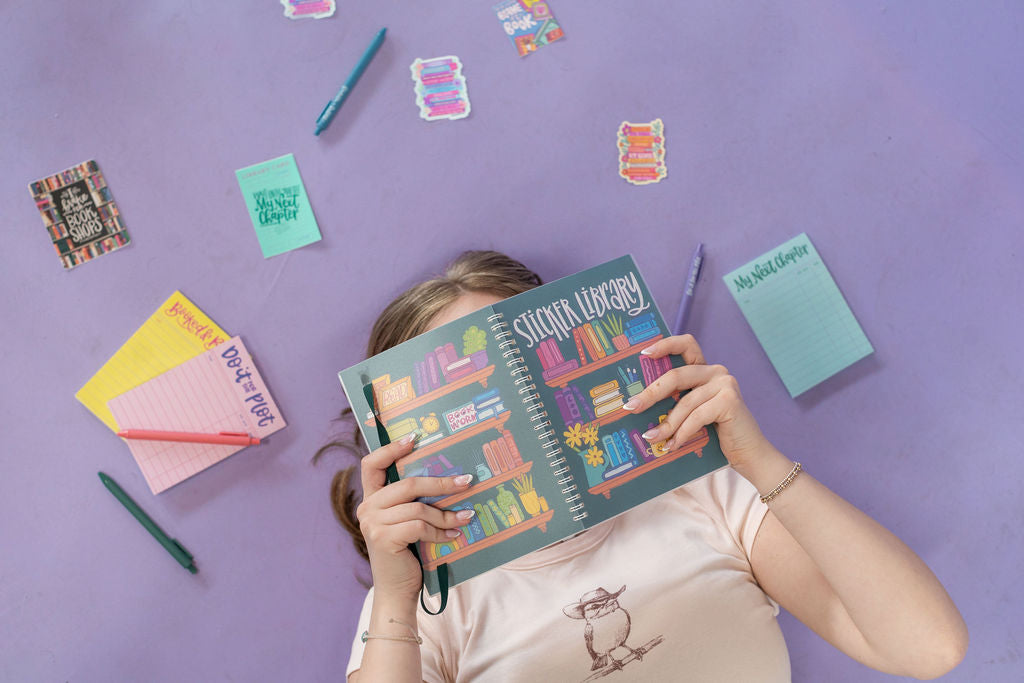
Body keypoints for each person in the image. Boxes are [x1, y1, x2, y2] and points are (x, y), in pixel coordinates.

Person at [319, 250, 967, 682]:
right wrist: (398, 595)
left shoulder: (705, 494)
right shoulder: (424, 600)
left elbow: (929, 645)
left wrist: (757, 460)